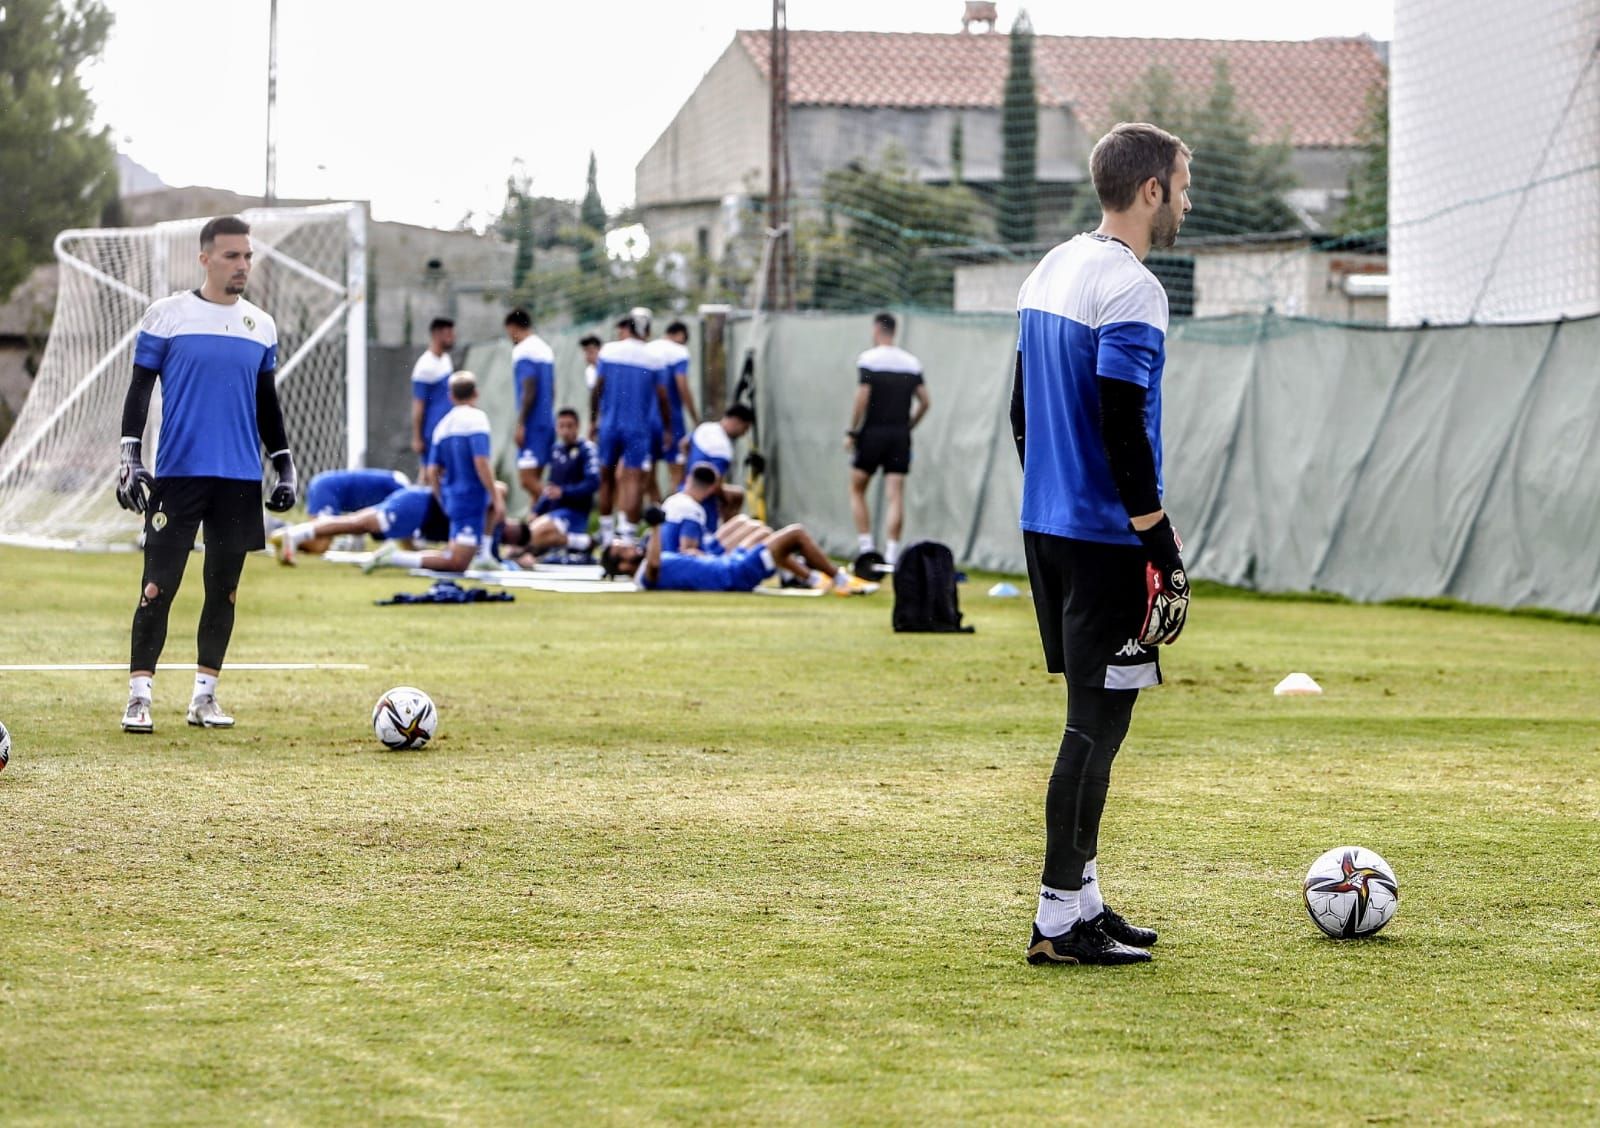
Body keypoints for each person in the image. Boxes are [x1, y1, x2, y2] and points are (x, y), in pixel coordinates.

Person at [1012, 122, 1193, 967]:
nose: (1185, 199)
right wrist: (1154, 534)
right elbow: (1122, 423)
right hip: (1103, 537)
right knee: (1095, 724)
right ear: (1151, 188)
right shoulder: (1133, 287)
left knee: (1100, 719)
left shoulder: (1050, 267)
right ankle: (1057, 920)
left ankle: (1081, 897)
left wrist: (1057, 492)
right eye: (1182, 184)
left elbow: (1021, 414)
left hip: (1049, 526)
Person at [114, 214, 297, 732]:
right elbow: (139, 389)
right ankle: (139, 697)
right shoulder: (167, 316)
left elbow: (268, 404)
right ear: (205, 258)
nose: (242, 265)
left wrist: (283, 467)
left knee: (226, 590)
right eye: (231, 256)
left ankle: (204, 698)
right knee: (157, 587)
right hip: (178, 474)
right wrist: (130, 457)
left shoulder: (260, 325)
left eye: (247, 256)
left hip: (239, 479)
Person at [368, 371, 503, 574]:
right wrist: (494, 495)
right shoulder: (477, 419)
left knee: (501, 490)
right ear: (476, 393)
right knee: (457, 564)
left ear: (451, 396)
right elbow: (481, 462)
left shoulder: (442, 426)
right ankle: (394, 557)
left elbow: (432, 471)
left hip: (455, 497)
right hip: (471, 498)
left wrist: (442, 498)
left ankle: (484, 556)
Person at [846, 311, 929, 568]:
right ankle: (892, 556)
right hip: (899, 436)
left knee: (857, 488)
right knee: (896, 495)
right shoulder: (911, 363)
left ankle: (867, 549)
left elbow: (862, 396)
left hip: (872, 433)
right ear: (895, 330)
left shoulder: (869, 359)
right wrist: (908, 427)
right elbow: (926, 401)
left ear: (876, 330)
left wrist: (852, 431)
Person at [602, 518, 876, 595]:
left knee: (772, 540)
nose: (628, 547)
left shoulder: (650, 568)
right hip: (733, 574)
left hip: (729, 566)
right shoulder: (645, 577)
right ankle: (839, 579)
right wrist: (655, 526)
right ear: (623, 565)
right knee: (796, 535)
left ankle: (814, 578)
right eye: (621, 550)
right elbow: (653, 564)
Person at [590, 312, 671, 546]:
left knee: (606, 478)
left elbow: (597, 388)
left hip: (609, 424)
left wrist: (593, 420)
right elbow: (663, 397)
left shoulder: (609, 351)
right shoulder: (654, 357)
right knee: (633, 479)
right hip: (638, 428)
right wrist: (667, 428)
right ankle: (627, 534)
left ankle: (606, 534)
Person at [272, 485, 449, 562]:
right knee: (357, 524)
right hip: (415, 504)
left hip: (414, 503)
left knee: (356, 523)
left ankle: (289, 532)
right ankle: (292, 533)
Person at [270, 467, 411, 563]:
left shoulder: (397, 484)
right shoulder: (402, 491)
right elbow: (405, 533)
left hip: (325, 485)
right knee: (320, 545)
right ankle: (282, 531)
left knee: (320, 545)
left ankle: (285, 535)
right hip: (327, 489)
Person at [530, 407, 602, 558]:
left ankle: (581, 542)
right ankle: (584, 542)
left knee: (533, 535)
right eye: (561, 426)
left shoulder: (587, 450)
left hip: (575, 513)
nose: (566, 430)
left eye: (570, 426)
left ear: (577, 426)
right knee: (529, 538)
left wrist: (564, 492)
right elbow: (551, 488)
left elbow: (593, 482)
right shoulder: (556, 450)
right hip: (554, 513)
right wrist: (537, 510)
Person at [505, 308, 556, 503]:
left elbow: (530, 387)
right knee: (536, 478)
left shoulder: (523, 349)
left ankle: (559, 507)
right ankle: (535, 526)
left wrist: (521, 424)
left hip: (533, 425)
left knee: (527, 481)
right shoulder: (545, 349)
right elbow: (552, 390)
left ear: (513, 327)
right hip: (546, 422)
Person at [651, 320, 699, 490]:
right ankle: (672, 510)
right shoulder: (679, 351)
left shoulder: (649, 349)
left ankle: (654, 509)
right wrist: (695, 417)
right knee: (677, 469)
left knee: (649, 469)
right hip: (672, 418)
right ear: (680, 334)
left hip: (647, 419)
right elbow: (682, 385)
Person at [410, 317, 456, 468]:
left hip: (447, 427)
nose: (453, 338)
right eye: (448, 334)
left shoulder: (446, 359)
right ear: (436, 334)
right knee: (431, 472)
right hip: (432, 431)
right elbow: (418, 405)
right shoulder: (425, 367)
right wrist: (417, 437)